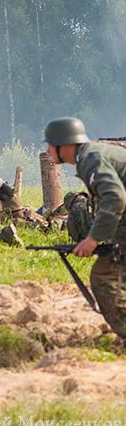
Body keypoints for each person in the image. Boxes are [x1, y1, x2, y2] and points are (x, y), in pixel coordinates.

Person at [44, 117, 125, 340]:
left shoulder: (91, 159)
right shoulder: (92, 155)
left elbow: (115, 198)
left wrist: (92, 240)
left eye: (51, 145)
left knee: (104, 277)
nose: (48, 151)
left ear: (66, 145)